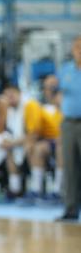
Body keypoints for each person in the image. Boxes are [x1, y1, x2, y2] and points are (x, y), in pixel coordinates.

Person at [56, 35, 81, 221]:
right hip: (69, 123)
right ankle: (71, 209)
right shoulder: (66, 70)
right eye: (77, 48)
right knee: (70, 167)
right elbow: (57, 93)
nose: (79, 51)